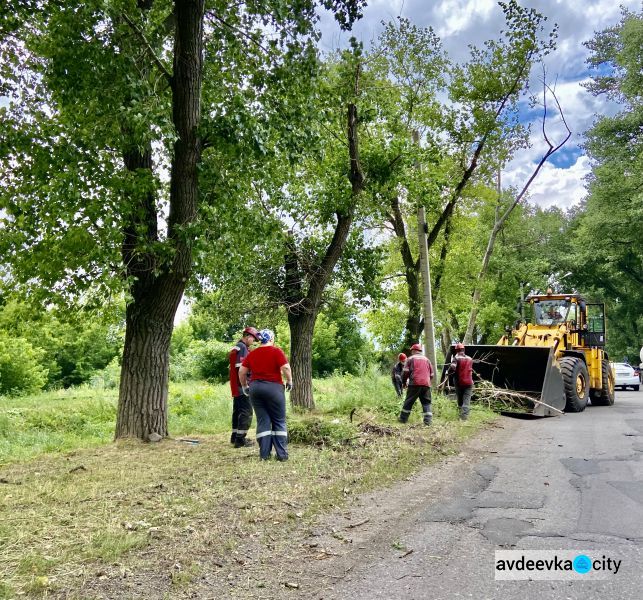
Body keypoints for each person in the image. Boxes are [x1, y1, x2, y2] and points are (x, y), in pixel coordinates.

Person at [238, 329, 292, 461]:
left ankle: (264, 455)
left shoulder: (252, 353)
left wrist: (245, 386)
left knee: (263, 420)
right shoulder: (276, 351)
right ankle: (282, 455)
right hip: (274, 388)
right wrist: (290, 381)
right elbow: (285, 367)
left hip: (256, 390)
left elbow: (241, 371)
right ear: (271, 339)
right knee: (279, 420)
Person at [228, 326, 261, 448]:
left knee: (238, 411)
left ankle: (234, 437)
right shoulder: (242, 348)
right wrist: (247, 384)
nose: (253, 342)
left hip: (236, 385)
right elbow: (242, 368)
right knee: (246, 412)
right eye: (253, 339)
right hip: (242, 385)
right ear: (248, 336)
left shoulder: (237, 346)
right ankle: (240, 440)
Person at [399, 343, 434, 426]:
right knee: (426, 403)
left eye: (411, 350)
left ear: (414, 350)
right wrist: (427, 382)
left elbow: (405, 373)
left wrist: (404, 383)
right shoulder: (427, 360)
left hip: (414, 384)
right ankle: (428, 422)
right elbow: (432, 375)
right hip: (426, 384)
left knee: (409, 402)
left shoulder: (410, 359)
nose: (411, 352)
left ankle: (403, 419)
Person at [448, 342, 474, 421]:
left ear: (456, 350)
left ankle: (460, 415)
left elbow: (452, 368)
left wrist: (448, 372)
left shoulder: (456, 358)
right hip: (469, 382)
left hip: (459, 382)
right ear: (463, 349)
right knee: (466, 400)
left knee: (460, 399)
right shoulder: (470, 358)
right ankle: (464, 418)